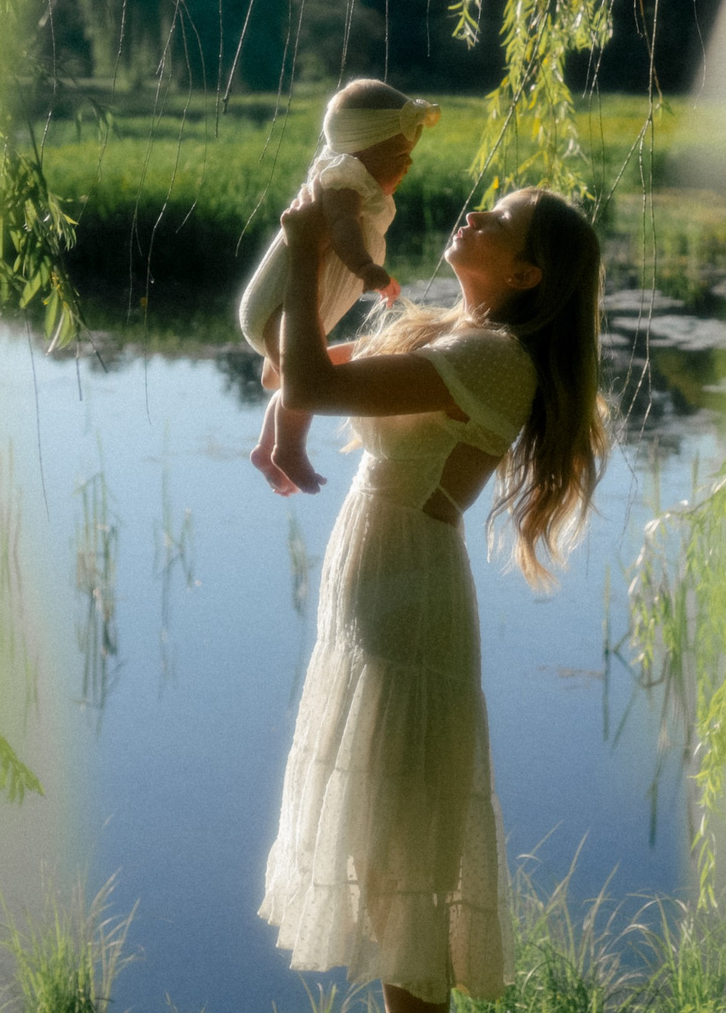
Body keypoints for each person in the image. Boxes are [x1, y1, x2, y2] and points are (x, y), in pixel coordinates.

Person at [257, 181, 607, 1012]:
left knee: (404, 883)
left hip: (406, 610)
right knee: (386, 878)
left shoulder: (497, 360)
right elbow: (293, 371)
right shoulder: (457, 334)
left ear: (525, 275)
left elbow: (310, 379)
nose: (476, 213)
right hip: (377, 597)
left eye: (503, 221)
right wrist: (286, 366)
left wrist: (310, 252)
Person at [240, 79, 441, 496]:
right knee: (305, 380)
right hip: (280, 300)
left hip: (292, 301)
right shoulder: (345, 182)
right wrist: (366, 267)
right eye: (400, 155)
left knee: (297, 372)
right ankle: (288, 448)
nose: (408, 166)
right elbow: (345, 231)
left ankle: (266, 446)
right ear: (364, 151)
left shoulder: (354, 180)